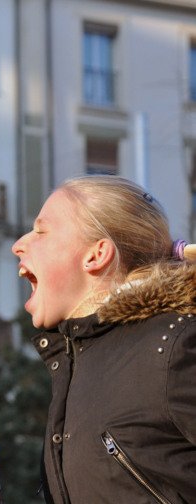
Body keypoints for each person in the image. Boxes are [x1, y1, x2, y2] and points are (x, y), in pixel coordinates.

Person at [12, 175, 196, 503]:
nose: (19, 244)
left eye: (41, 230)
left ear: (96, 255)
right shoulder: (75, 364)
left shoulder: (175, 345)